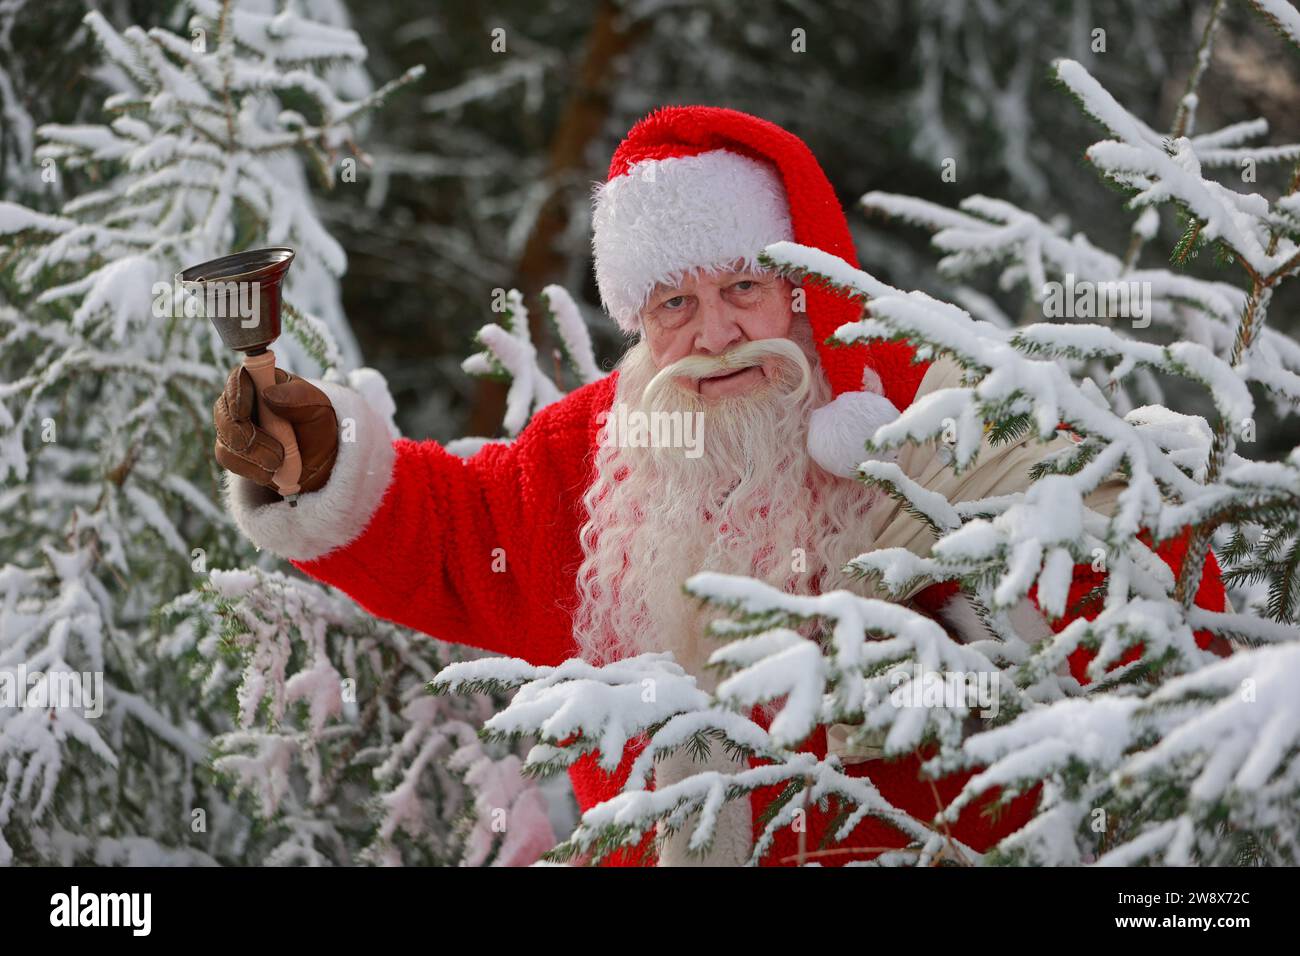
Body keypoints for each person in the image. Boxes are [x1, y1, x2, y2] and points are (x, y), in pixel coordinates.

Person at [212, 106, 1228, 866]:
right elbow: (460, 531)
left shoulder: (934, 402)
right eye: (673, 303)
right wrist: (319, 457)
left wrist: (943, 637)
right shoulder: (601, 447)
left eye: (742, 288)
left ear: (801, 285)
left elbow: (1132, 559)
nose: (713, 333)